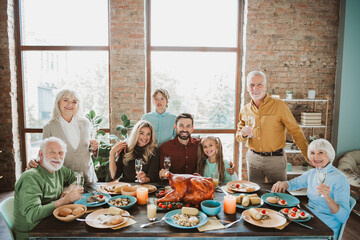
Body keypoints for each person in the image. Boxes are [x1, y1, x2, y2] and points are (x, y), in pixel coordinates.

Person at [236, 71, 308, 183]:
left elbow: (295, 131)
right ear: (247, 88)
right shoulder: (245, 110)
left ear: (265, 86)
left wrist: (308, 156)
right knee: (254, 195)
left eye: (259, 84)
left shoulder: (279, 105)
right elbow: (239, 137)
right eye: (252, 85)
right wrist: (243, 134)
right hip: (253, 159)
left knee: (278, 196)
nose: (255, 88)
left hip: (275, 160)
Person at [271, 139, 350, 239]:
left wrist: (327, 198)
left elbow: (343, 217)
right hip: (309, 218)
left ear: (329, 154)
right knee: (277, 228)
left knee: (282, 235)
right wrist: (283, 184)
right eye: (312, 153)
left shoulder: (339, 178)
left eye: (321, 152)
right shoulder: (313, 173)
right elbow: (295, 183)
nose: (315, 156)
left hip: (326, 229)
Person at [13, 137, 83, 240]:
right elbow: (32, 215)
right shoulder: (30, 178)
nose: (57, 157)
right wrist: (65, 200)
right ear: (41, 154)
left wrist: (69, 189)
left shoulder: (58, 169)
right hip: (33, 233)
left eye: (60, 153)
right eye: (52, 153)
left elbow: (77, 176)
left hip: (51, 223)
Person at [27, 89, 98, 183]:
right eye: (65, 100)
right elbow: (44, 154)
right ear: (58, 102)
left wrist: (95, 148)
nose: (70, 104)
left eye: (74, 102)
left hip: (88, 177)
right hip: (64, 181)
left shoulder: (85, 123)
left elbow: (87, 148)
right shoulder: (49, 127)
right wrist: (34, 161)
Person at [159, 113, 235, 179]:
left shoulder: (200, 144)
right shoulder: (165, 148)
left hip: (197, 187)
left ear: (192, 128)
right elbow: (160, 175)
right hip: (173, 187)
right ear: (175, 127)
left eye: (188, 126)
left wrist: (228, 165)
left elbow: (213, 150)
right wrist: (161, 175)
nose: (185, 129)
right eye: (181, 125)